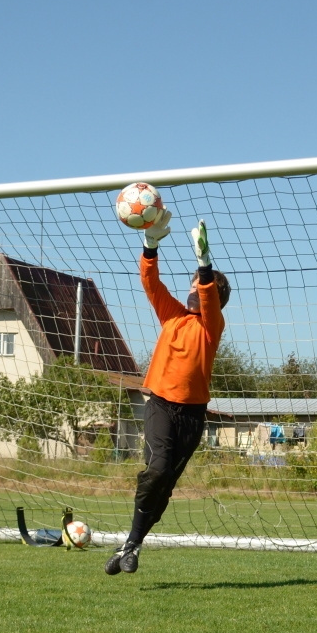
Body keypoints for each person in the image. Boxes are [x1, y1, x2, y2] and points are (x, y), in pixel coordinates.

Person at [105, 212, 230, 575]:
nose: (193, 289)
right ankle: (132, 542)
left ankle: (132, 545)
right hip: (160, 404)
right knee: (156, 470)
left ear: (214, 299)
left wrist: (204, 264)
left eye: (200, 286)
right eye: (191, 284)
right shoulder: (171, 315)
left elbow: (208, 295)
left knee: (166, 487)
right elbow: (151, 283)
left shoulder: (212, 326)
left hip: (192, 416)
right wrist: (150, 245)